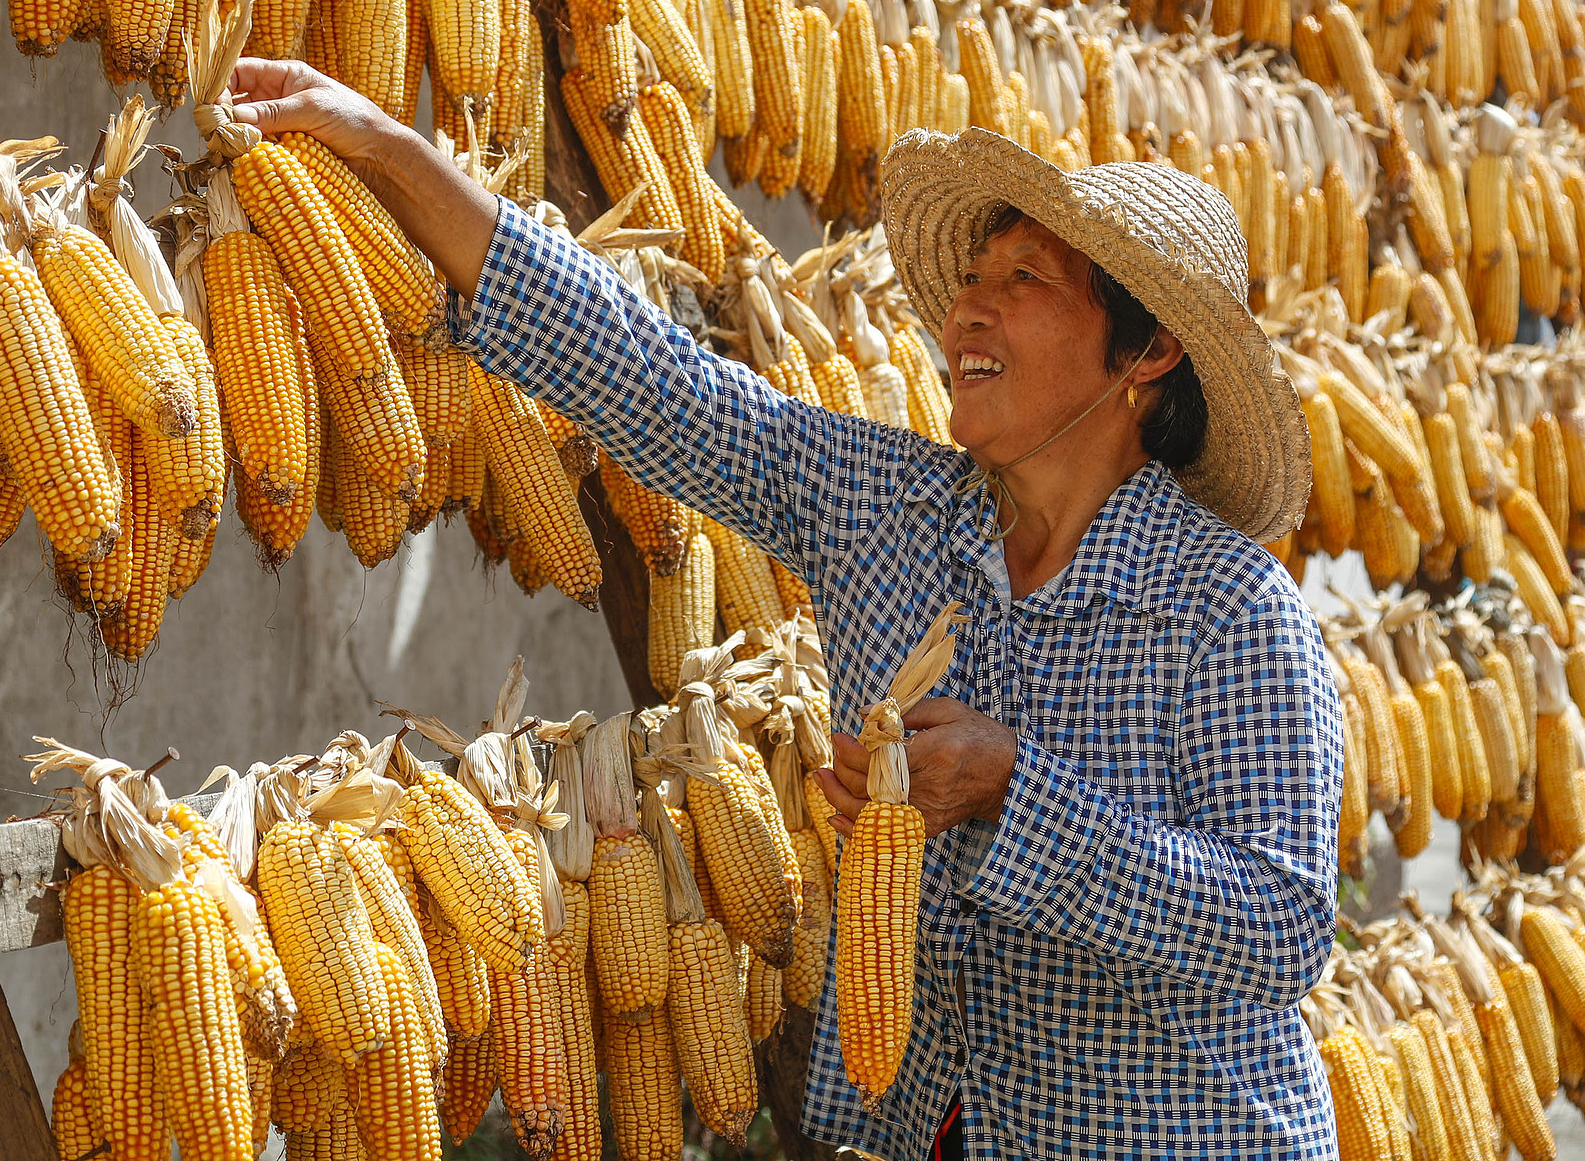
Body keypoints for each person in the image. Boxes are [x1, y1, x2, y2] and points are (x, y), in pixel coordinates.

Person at [233, 62, 1342, 1159]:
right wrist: (389, 147)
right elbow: (647, 378)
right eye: (974, 274)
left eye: (1024, 279)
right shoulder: (882, 507)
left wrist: (1015, 791)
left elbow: (1280, 931)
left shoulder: (1229, 611)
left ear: (1144, 354)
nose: (968, 305)